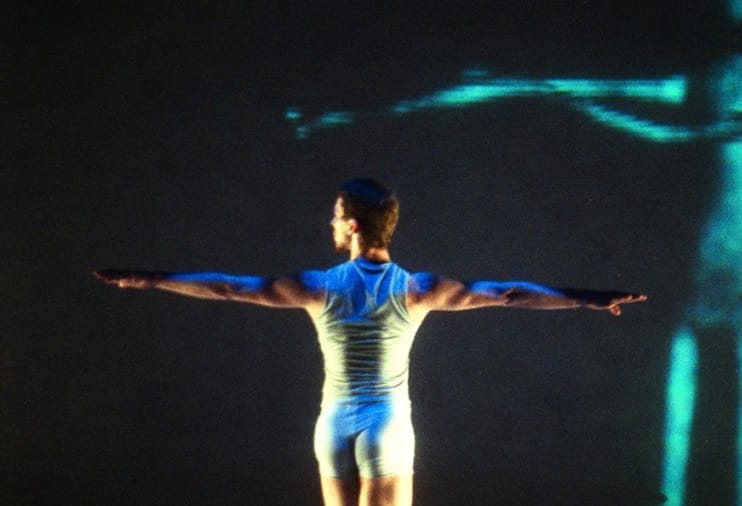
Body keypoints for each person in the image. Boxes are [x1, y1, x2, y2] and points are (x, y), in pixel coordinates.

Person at [95, 178, 646, 506]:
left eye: (337, 216)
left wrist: (148, 278)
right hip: (386, 426)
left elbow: (226, 287)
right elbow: (507, 294)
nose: (331, 224)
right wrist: (585, 297)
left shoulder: (317, 286)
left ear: (355, 226)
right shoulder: (418, 289)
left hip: (332, 426)